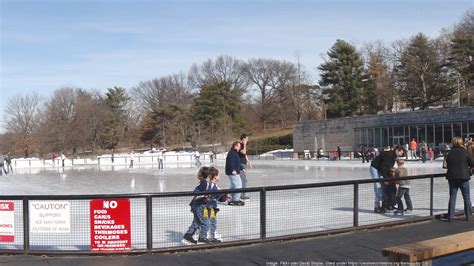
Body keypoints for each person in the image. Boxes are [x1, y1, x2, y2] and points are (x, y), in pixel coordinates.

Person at [445, 137, 474, 222]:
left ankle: (450, 216)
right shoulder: (465, 152)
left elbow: (447, 164)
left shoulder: (450, 153)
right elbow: (472, 162)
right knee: (466, 197)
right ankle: (468, 216)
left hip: (452, 177)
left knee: (452, 196)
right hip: (463, 176)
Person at [370, 145, 404, 213]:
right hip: (375, 168)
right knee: (378, 186)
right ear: (397, 150)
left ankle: (385, 204)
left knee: (383, 187)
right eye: (401, 153)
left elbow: (388, 168)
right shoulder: (389, 155)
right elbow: (384, 168)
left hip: (381, 169)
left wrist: (389, 178)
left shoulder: (393, 157)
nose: (401, 155)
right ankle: (377, 206)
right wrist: (385, 178)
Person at [183, 167, 211, 244]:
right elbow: (201, 193)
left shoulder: (203, 182)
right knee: (204, 222)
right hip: (200, 205)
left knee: (197, 221)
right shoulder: (204, 183)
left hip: (197, 204)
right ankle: (202, 237)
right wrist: (206, 196)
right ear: (208, 175)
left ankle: (188, 235)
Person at [204, 167, 228, 243]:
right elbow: (216, 194)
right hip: (207, 207)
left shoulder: (214, 185)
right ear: (215, 176)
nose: (219, 177)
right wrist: (223, 195)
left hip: (212, 207)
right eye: (218, 175)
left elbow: (218, 196)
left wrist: (224, 196)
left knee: (211, 221)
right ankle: (206, 236)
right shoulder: (208, 186)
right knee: (208, 221)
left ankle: (211, 236)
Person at [225, 141, 244, 206]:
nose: (240, 148)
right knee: (238, 185)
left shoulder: (235, 153)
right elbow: (231, 162)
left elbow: (237, 162)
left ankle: (229, 196)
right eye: (239, 146)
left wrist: (242, 168)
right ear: (235, 146)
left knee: (234, 185)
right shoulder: (232, 153)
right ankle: (235, 199)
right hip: (232, 172)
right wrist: (233, 170)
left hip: (233, 172)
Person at [239, 134, 253, 200]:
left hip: (243, 164)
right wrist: (244, 144)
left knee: (242, 180)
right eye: (247, 139)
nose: (247, 140)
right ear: (243, 139)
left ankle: (240, 194)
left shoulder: (243, 145)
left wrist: (248, 161)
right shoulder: (240, 145)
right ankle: (243, 195)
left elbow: (245, 155)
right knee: (244, 180)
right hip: (240, 164)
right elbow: (244, 152)